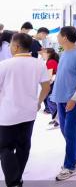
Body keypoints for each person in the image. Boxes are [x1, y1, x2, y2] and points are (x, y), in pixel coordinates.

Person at [0, 32, 50, 187]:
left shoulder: (4, 65)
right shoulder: (39, 64)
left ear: (15, 46)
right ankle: (17, 179)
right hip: (29, 113)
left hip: (7, 114)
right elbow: (46, 87)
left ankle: (13, 182)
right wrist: (38, 102)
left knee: (5, 148)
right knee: (23, 147)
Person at [51, 26, 76, 181]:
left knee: (70, 132)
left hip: (72, 100)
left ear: (65, 37)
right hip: (61, 98)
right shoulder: (65, 52)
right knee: (65, 131)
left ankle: (69, 166)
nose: (57, 37)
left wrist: (74, 98)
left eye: (59, 35)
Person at [42, 47, 60, 127]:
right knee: (51, 100)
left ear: (49, 54)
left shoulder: (51, 62)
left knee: (51, 100)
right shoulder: (50, 61)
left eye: (44, 53)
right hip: (54, 83)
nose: (42, 54)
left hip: (53, 83)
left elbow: (49, 76)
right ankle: (55, 118)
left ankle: (57, 119)